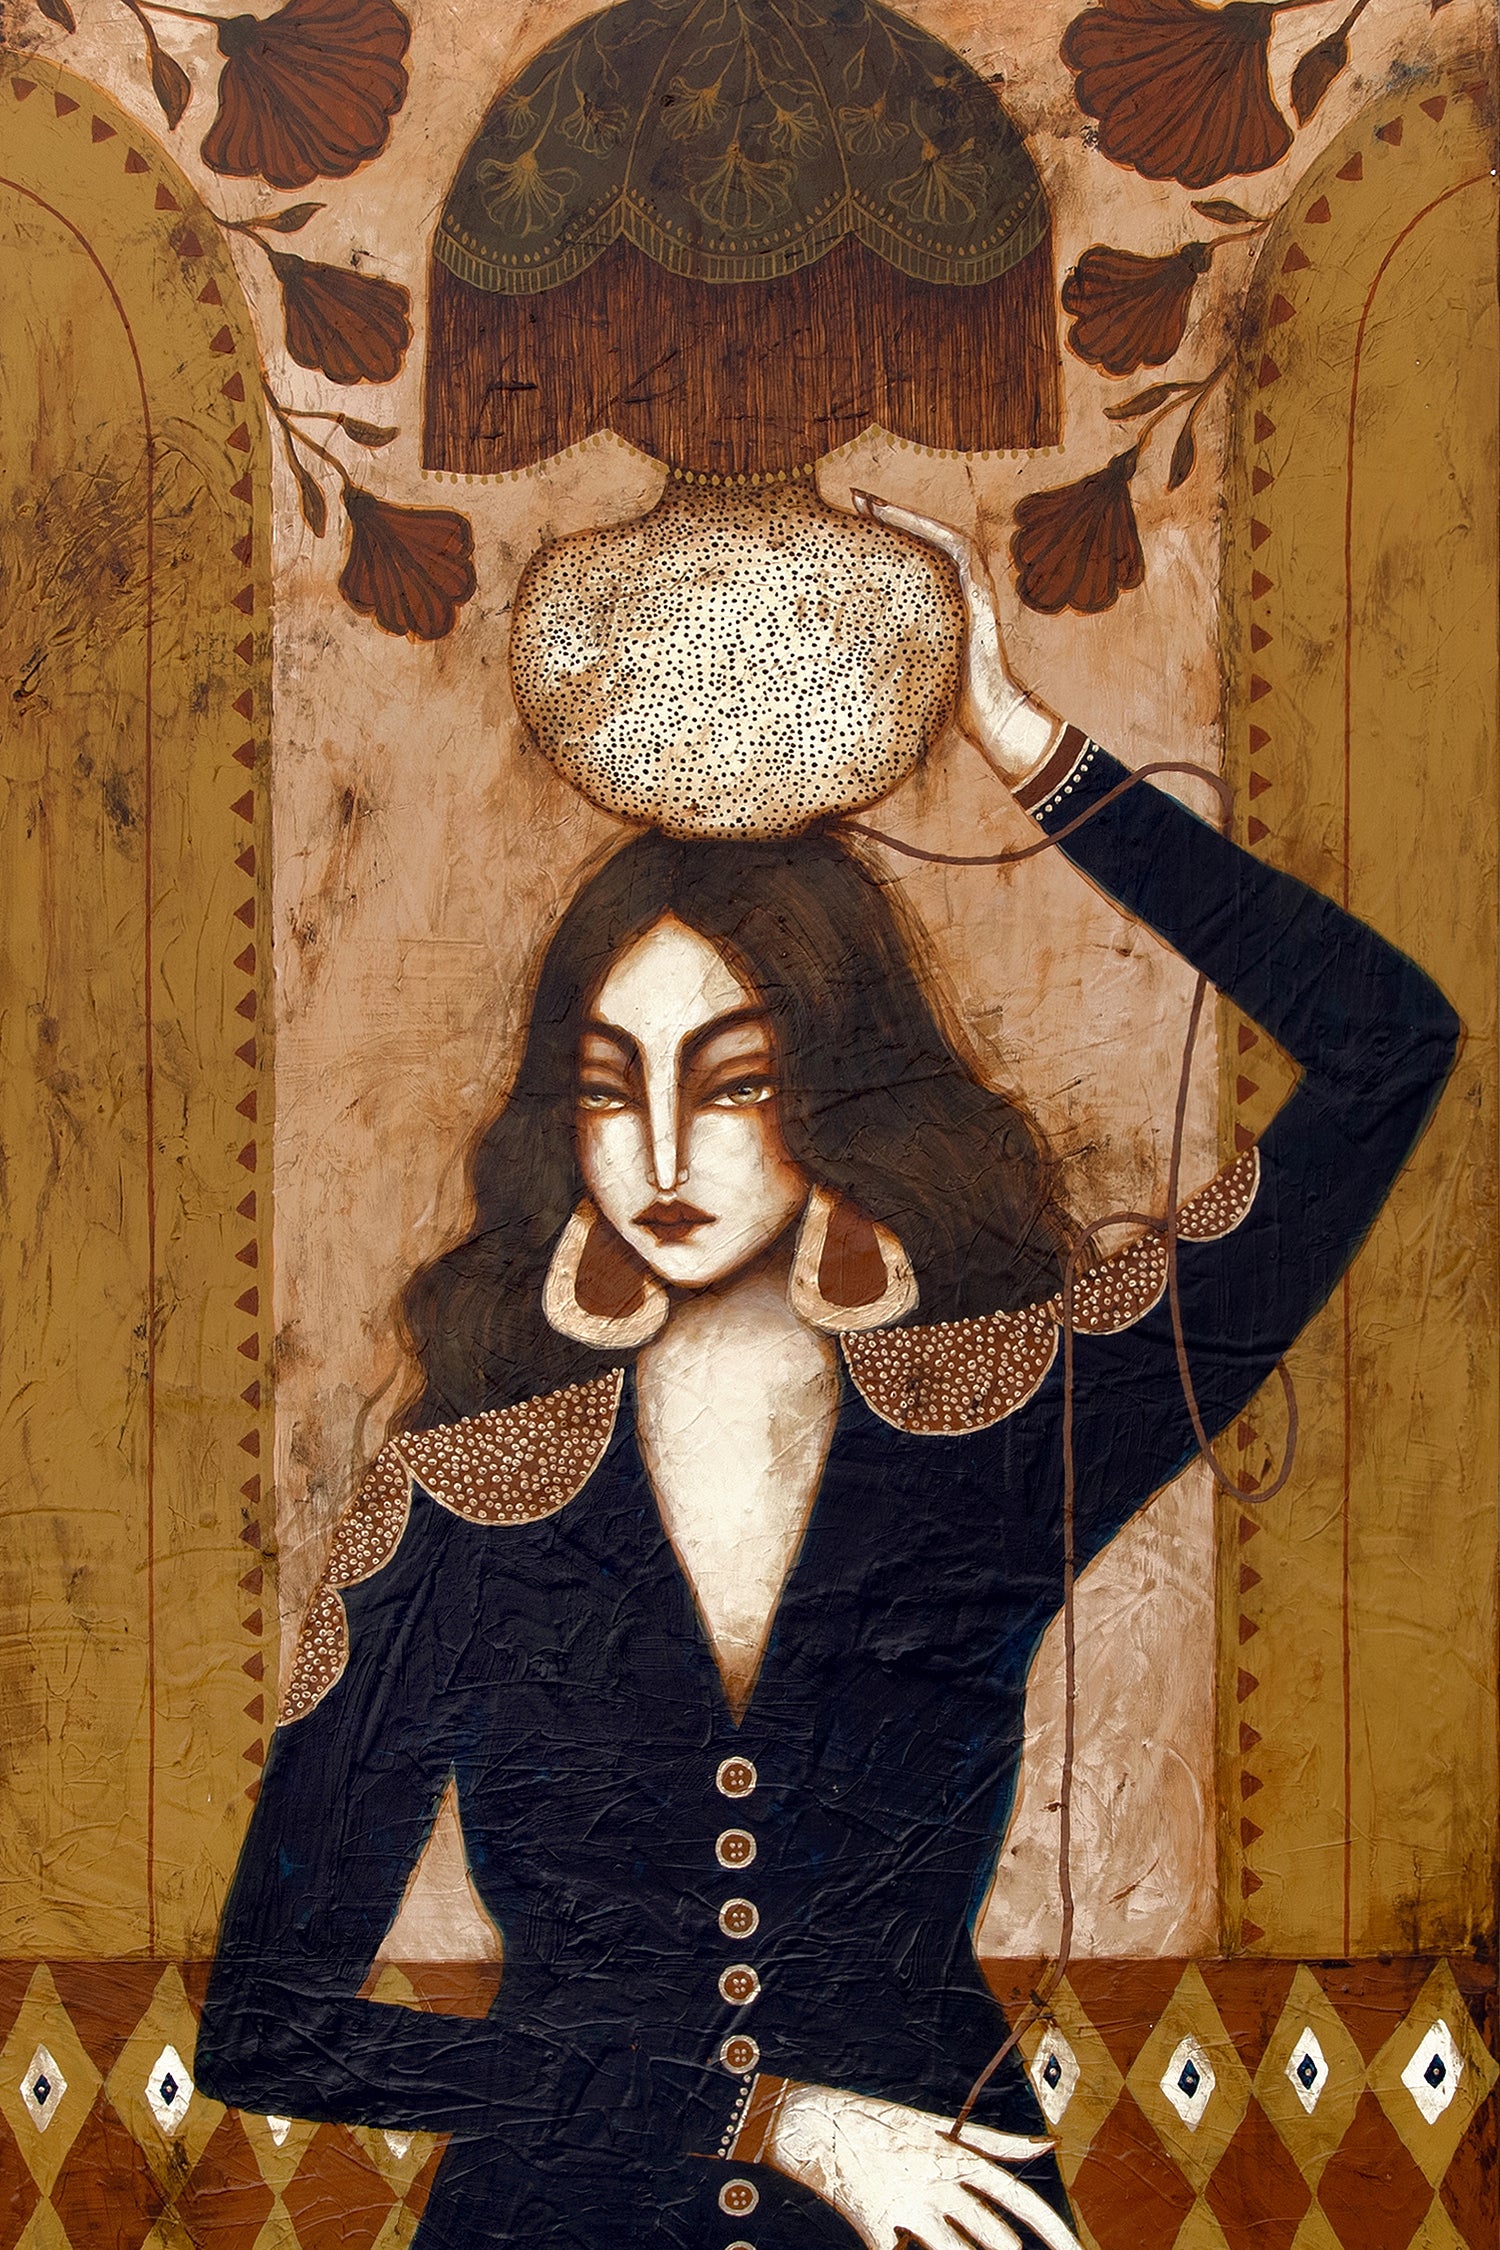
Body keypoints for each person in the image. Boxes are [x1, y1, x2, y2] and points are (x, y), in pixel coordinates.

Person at [195, 501, 1459, 2250]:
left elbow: (1391, 1043)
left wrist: (1021, 744)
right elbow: (266, 2026)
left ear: (839, 1086)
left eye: (732, 1081)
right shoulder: (458, 1505)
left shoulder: (999, 1429)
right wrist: (769, 2116)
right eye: (609, 1083)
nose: (659, 1147)